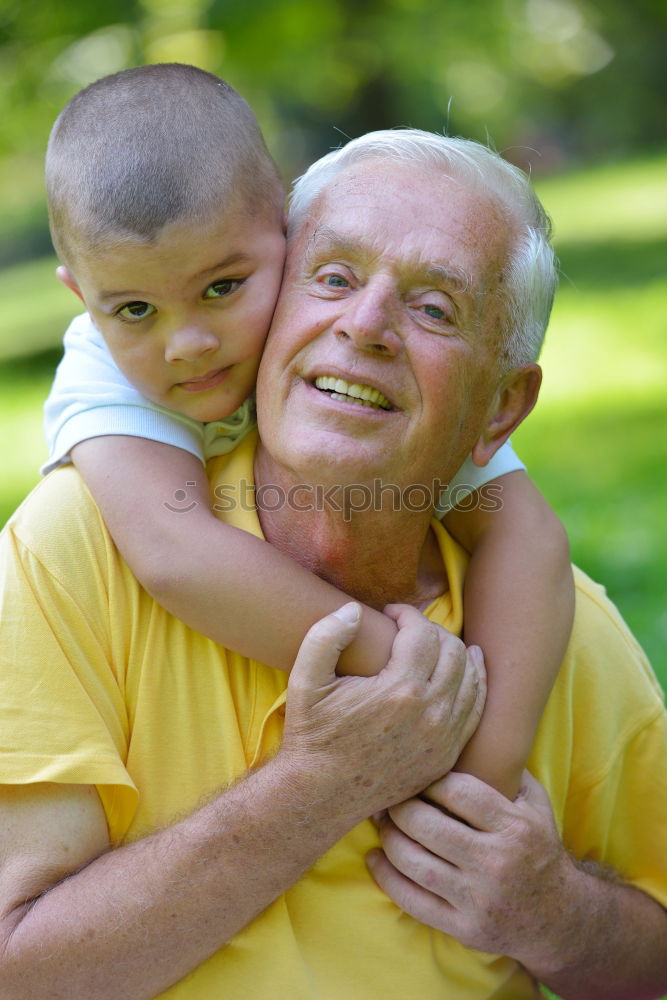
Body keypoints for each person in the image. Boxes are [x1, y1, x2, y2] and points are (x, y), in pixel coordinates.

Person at [0, 126, 665, 999]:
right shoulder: (78, 550)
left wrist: (552, 911)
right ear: (277, 299)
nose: (365, 325)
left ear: (501, 408)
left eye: (434, 308)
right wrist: (319, 784)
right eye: (335, 277)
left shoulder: (553, 628)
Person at [40, 62, 573, 802]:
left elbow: (529, 539)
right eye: (133, 310)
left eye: (223, 288)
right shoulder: (105, 371)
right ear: (83, 296)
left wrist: (484, 773)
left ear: (284, 230)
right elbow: (174, 551)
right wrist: (403, 670)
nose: (188, 343)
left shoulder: (340, 329)